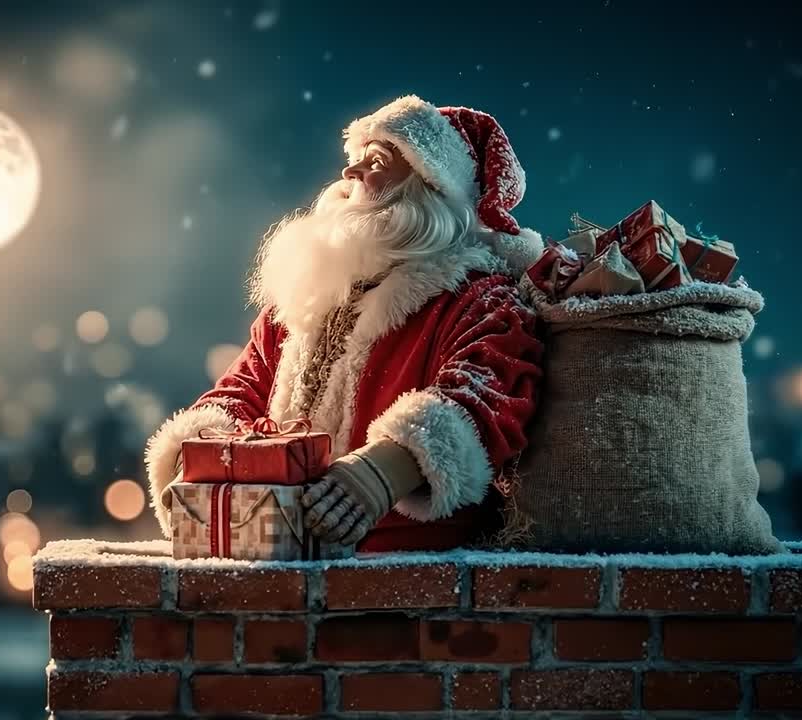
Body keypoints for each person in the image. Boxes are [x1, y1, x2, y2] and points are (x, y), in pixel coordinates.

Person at [145, 95, 547, 552]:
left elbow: (486, 395)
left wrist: (380, 474)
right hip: (282, 548)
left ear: (430, 188)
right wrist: (198, 455)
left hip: (408, 561)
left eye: (375, 163)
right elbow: (245, 388)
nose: (350, 173)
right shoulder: (309, 294)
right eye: (355, 159)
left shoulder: (479, 298)